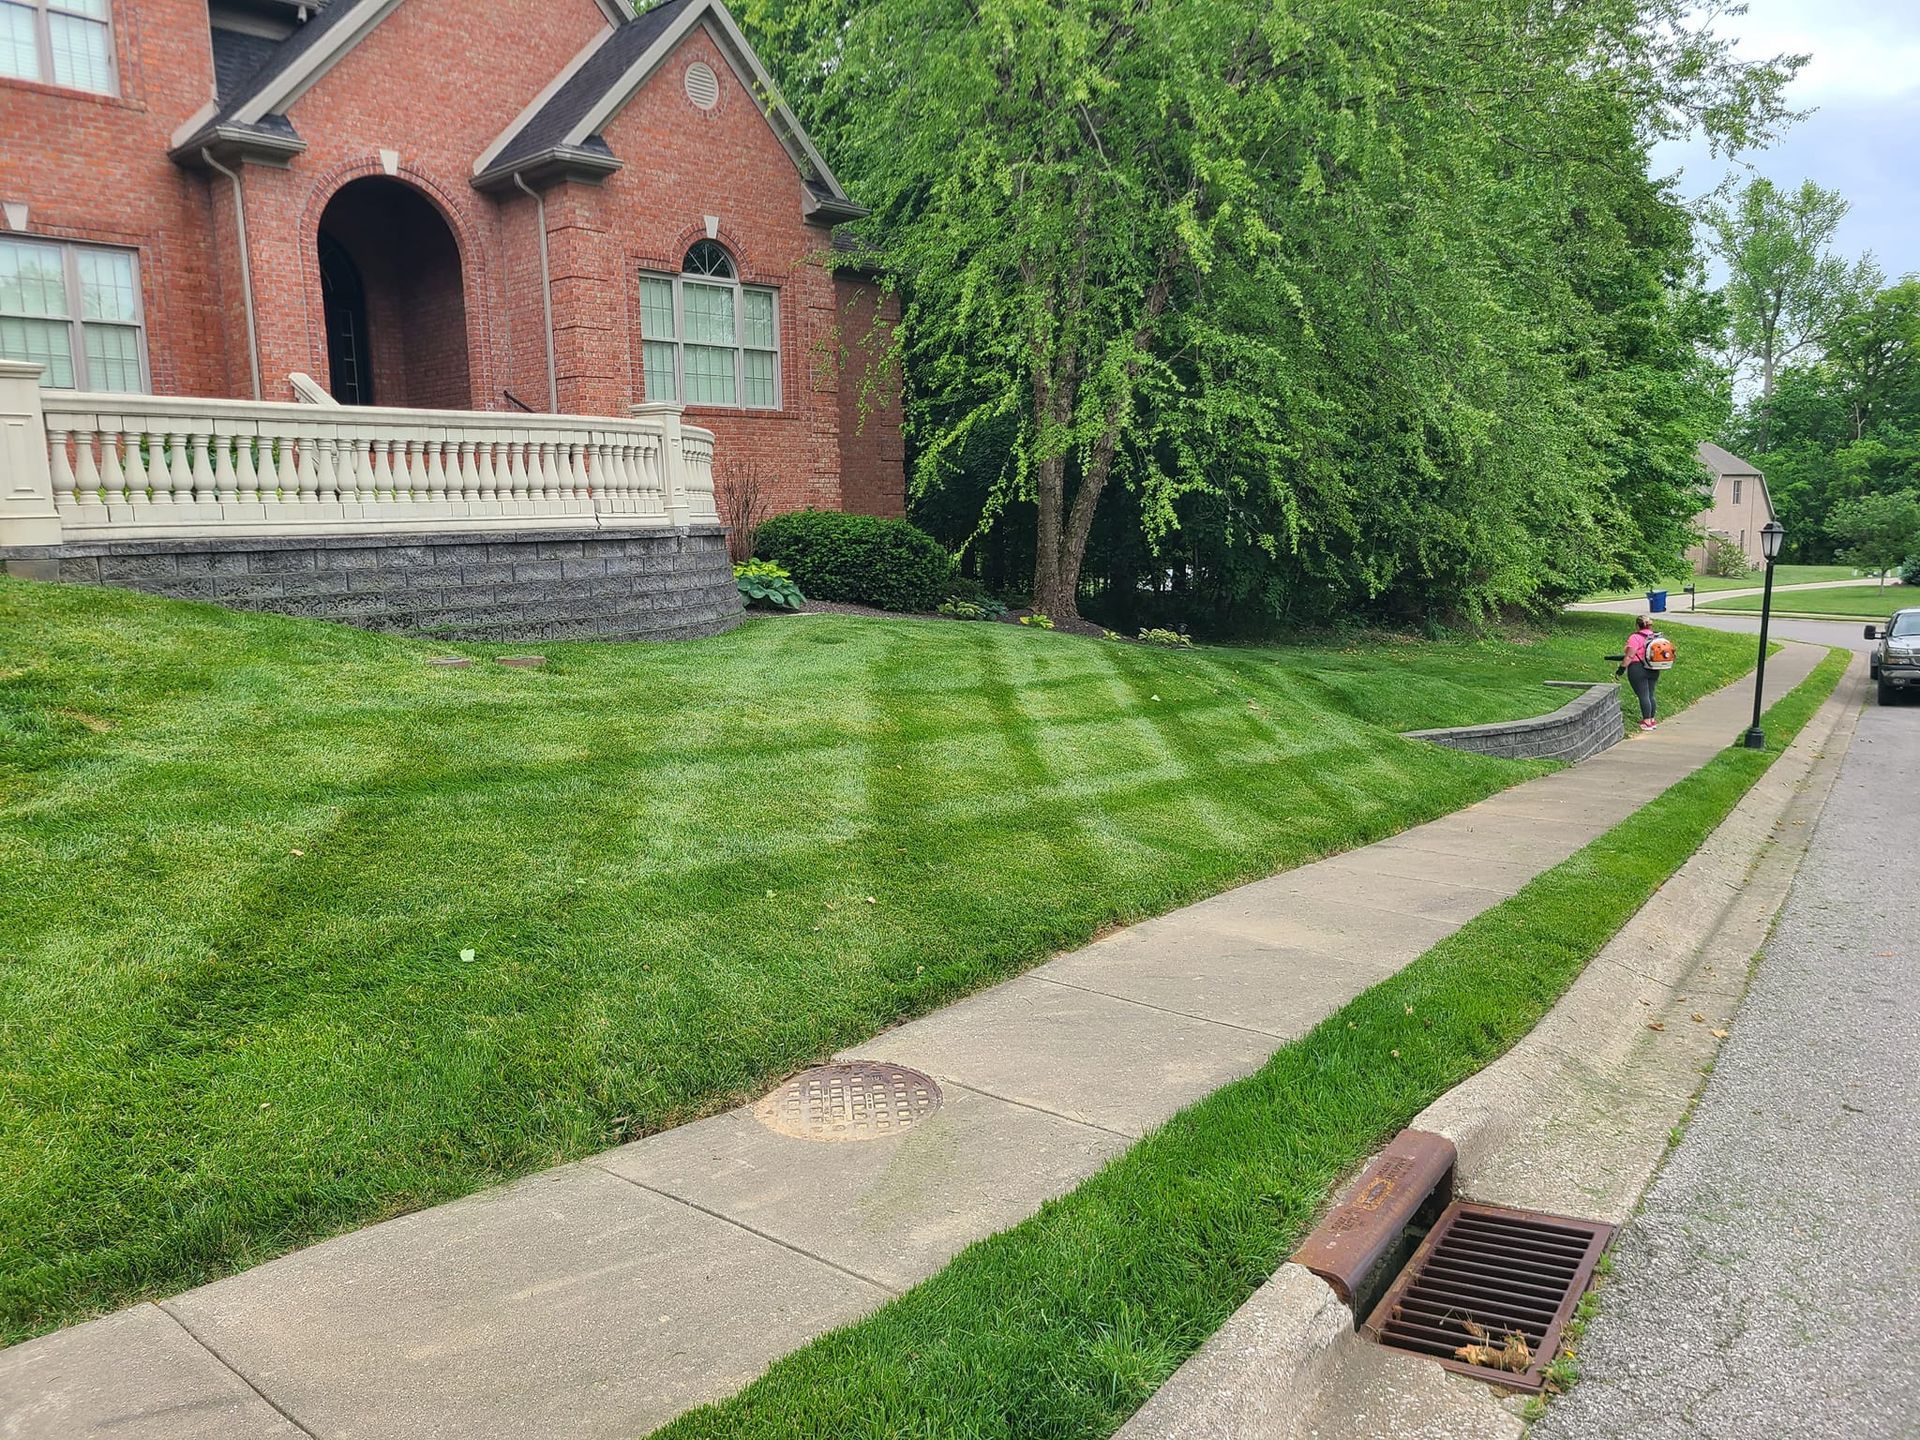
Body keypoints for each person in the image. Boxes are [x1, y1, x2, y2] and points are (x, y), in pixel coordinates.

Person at [1611, 616, 1660, 731]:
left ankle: (1646, 722)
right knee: (1650, 694)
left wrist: (1621, 669)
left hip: (1638, 668)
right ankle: (1652, 720)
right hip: (1653, 667)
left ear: (1637, 625)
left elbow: (1629, 656)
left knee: (1643, 695)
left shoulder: (1635, 637)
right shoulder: (1654, 636)